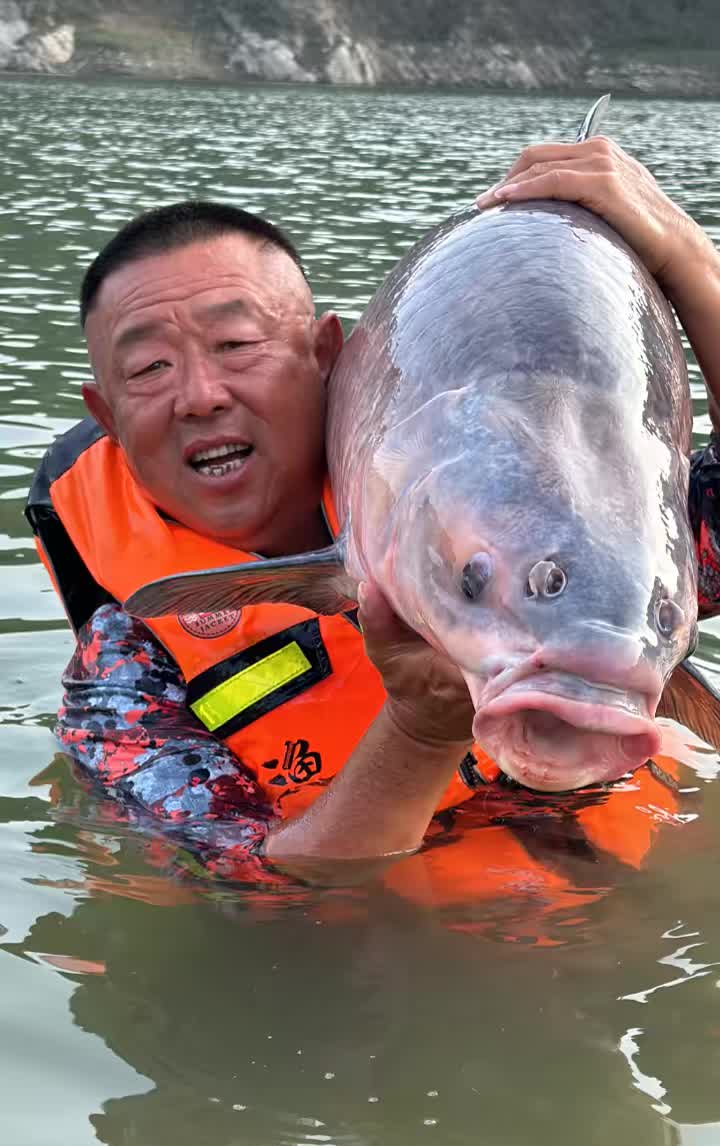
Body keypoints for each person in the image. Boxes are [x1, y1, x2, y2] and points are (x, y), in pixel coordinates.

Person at [25, 139, 720, 885]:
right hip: (391, 966)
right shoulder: (123, 669)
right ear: (106, 411)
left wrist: (690, 264)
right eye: (149, 369)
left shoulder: (571, 511)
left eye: (236, 343)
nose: (201, 395)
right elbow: (264, 890)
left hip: (617, 935)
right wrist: (422, 729)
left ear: (331, 355)